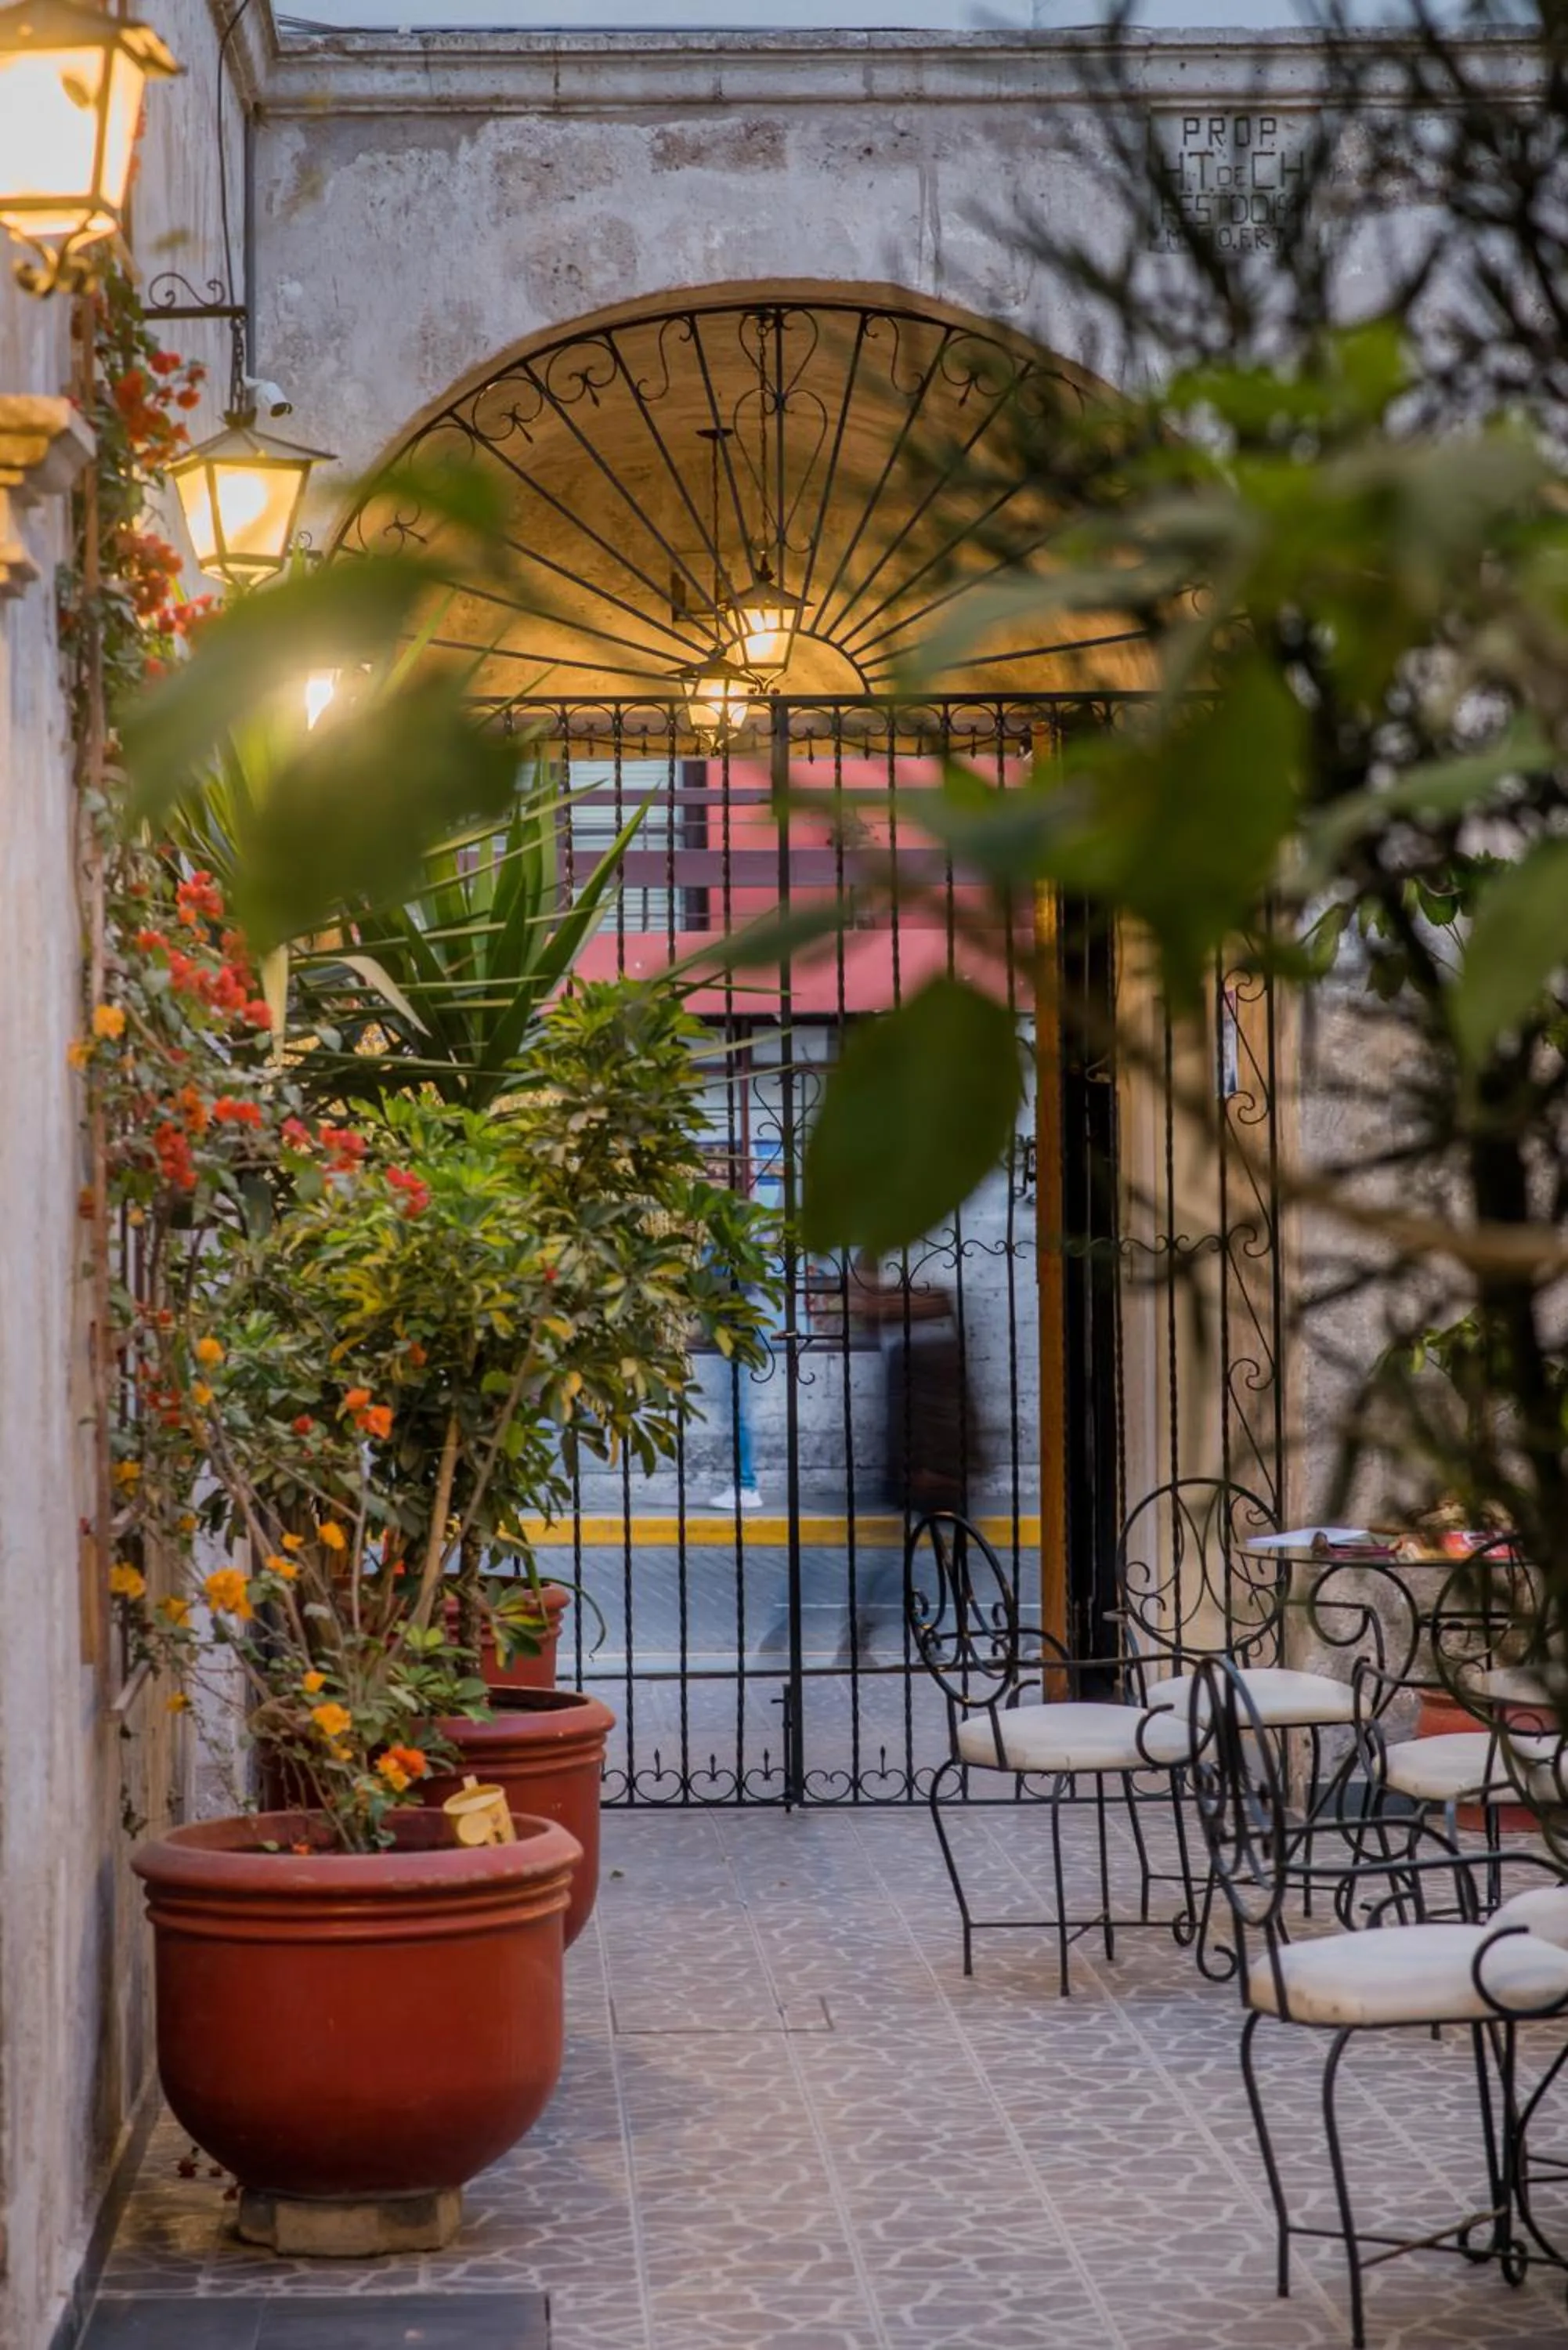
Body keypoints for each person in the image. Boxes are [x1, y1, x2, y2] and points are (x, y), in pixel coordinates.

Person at [844, 1252, 981, 1656]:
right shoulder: (916, 1352)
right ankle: (918, 1636)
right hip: (932, 1470)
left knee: (930, 1555)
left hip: (941, 1466)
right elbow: (921, 1414)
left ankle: (927, 1636)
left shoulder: (924, 1345)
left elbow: (956, 1408)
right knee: (922, 1558)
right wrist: (927, 1466)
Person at [707, 1139, 785, 1513]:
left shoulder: (742, 1237)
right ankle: (743, 1482)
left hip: (741, 1327)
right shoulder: (740, 1232)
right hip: (736, 1327)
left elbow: (740, 1282)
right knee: (736, 1409)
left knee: (738, 1409)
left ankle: (746, 1484)